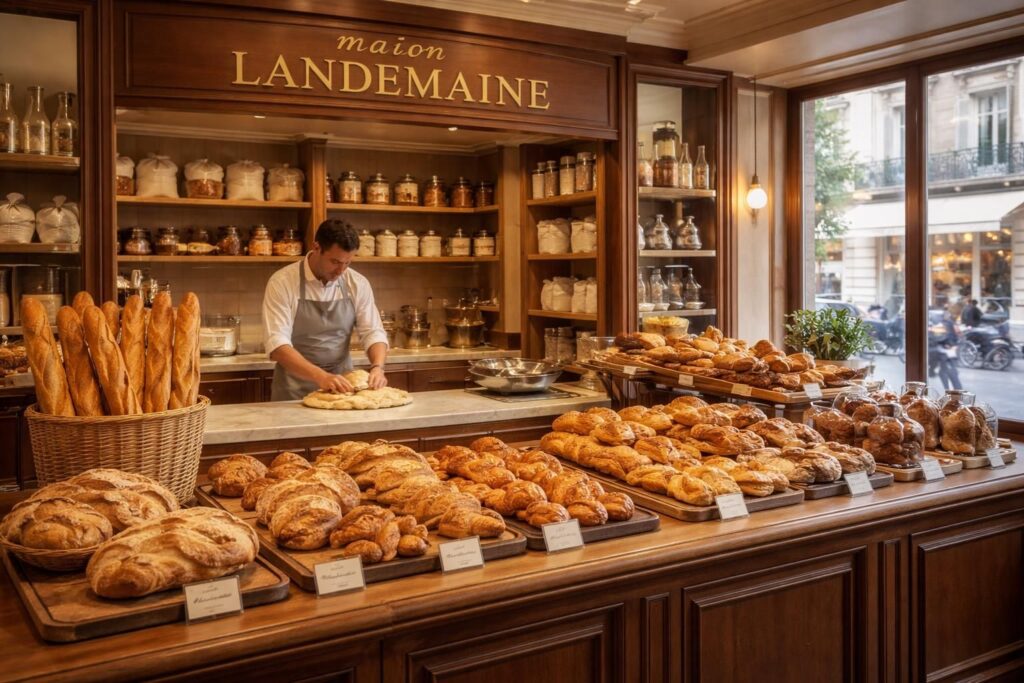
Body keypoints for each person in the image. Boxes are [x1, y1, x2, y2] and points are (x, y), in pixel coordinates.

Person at [263, 219, 389, 400]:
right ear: (316, 247)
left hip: (343, 389)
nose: (341, 270)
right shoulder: (283, 282)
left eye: (347, 263)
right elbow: (276, 344)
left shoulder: (357, 283)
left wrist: (378, 367)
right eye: (335, 261)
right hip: (293, 389)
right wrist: (320, 376)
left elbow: (373, 331)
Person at [928, 312, 962, 391]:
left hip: (941, 352)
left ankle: (950, 390)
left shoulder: (937, 326)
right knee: (948, 371)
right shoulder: (945, 324)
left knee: (945, 371)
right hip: (945, 350)